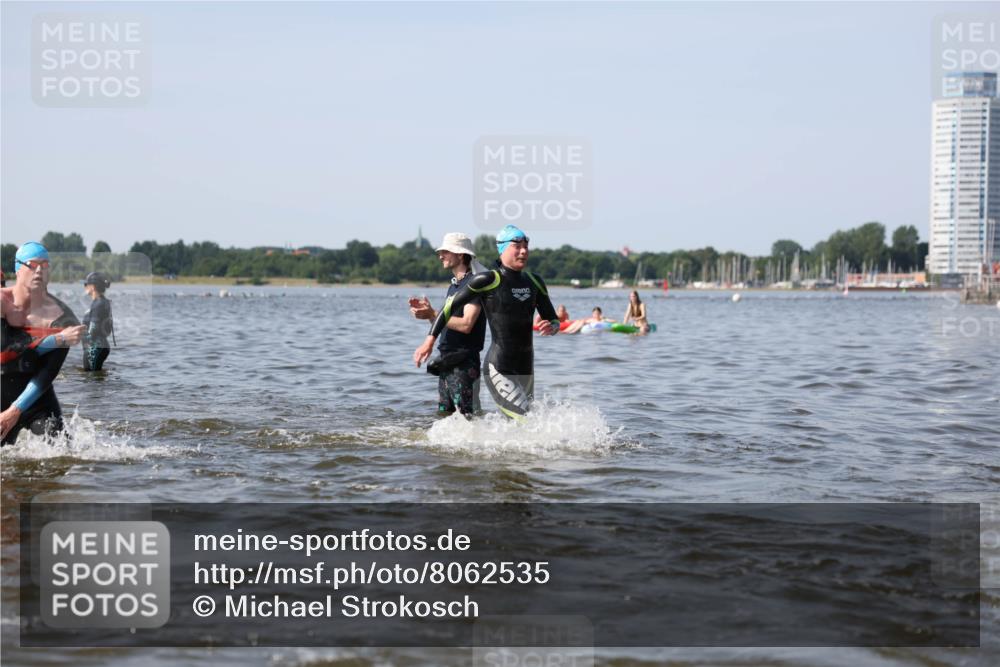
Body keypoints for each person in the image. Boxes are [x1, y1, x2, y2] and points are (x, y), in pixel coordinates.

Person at [413, 225, 558, 418]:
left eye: (526, 246)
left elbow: (553, 318)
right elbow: (448, 309)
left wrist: (552, 326)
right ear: (502, 248)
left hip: (526, 365)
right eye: (517, 246)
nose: (523, 251)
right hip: (499, 365)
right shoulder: (488, 279)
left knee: (520, 423)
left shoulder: (535, 281)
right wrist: (429, 341)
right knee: (524, 421)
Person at [1, 242, 84, 445]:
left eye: (45, 266)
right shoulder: (2, 302)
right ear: (17, 269)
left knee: (63, 451)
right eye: (32, 265)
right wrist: (57, 339)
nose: (39, 271)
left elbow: (47, 373)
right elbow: (6, 351)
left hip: (36, 398)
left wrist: (15, 410)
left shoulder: (64, 319)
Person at [408, 233, 487, 416]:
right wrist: (430, 315)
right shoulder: (454, 286)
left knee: (468, 417)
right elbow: (446, 322)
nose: (440, 256)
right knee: (444, 416)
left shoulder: (473, 284)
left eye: (445, 251)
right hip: (447, 360)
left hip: (465, 363)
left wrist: (434, 313)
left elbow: (467, 324)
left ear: (460, 255)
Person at [81, 271, 115, 371]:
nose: (85, 287)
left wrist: (78, 335)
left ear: (93, 286)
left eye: (86, 284)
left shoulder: (98, 304)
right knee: (95, 379)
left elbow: (93, 329)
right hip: (98, 346)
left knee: (90, 379)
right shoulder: (101, 302)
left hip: (94, 348)